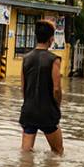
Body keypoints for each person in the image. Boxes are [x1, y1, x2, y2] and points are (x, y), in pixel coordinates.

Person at [20, 19, 64, 155]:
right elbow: (56, 89)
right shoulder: (54, 60)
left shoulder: (26, 58)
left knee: (26, 155)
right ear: (51, 39)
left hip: (29, 111)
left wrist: (29, 103)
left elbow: (23, 88)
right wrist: (57, 106)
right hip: (47, 112)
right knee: (58, 152)